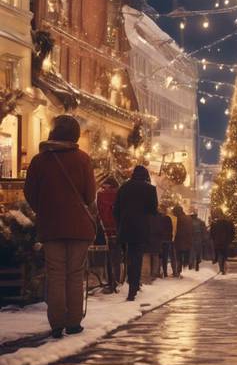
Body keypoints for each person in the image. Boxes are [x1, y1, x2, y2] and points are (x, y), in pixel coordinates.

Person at [24, 115, 96, 338]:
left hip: (51, 227)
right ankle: (73, 322)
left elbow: (30, 193)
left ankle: (56, 324)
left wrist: (44, 210)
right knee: (74, 274)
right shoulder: (83, 159)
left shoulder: (39, 161)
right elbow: (90, 194)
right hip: (79, 228)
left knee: (55, 274)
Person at [113, 165, 158, 300]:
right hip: (141, 228)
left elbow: (116, 209)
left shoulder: (124, 187)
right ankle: (133, 287)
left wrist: (120, 223)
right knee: (137, 257)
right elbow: (153, 210)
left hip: (126, 227)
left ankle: (131, 283)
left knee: (129, 256)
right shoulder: (150, 189)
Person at [96, 175, 121, 292]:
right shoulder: (120, 195)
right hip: (118, 229)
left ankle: (111, 282)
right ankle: (116, 280)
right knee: (117, 256)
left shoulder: (100, 195)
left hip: (104, 228)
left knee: (108, 256)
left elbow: (98, 211)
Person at [148, 210, 173, 278]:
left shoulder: (156, 218)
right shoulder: (168, 218)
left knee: (158, 257)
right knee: (163, 257)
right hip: (165, 240)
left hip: (160, 240)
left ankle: (157, 272)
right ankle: (164, 272)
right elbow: (171, 230)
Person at [210, 210, 235, 274]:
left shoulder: (214, 224)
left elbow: (211, 233)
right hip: (225, 242)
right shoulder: (228, 223)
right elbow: (232, 232)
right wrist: (230, 240)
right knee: (224, 255)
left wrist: (214, 239)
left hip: (217, 242)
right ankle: (223, 268)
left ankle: (221, 268)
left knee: (219, 255)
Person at [172, 204, 193, 276]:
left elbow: (176, 230)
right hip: (187, 240)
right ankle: (184, 266)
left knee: (178, 256)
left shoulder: (178, 219)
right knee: (184, 255)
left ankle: (178, 270)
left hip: (179, 240)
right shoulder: (188, 218)